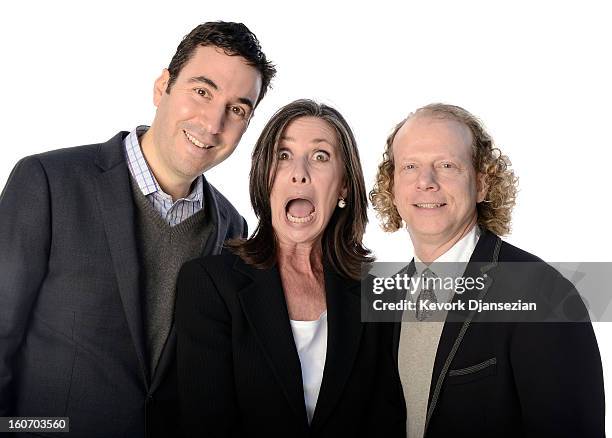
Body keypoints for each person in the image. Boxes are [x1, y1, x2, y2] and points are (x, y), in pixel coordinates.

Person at [0, 21, 275, 437]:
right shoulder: (48, 182)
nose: (213, 122)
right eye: (202, 91)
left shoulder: (231, 228)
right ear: (162, 87)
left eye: (237, 109)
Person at [369, 103, 605, 437]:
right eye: (409, 166)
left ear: (481, 184)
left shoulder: (542, 295)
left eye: (447, 165)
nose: (426, 181)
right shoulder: (386, 297)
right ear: (392, 187)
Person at [175, 99, 406, 437]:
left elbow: (385, 420)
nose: (299, 172)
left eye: (320, 156)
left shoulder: (377, 290)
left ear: (343, 185)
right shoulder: (210, 284)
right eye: (283, 156)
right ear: (265, 178)